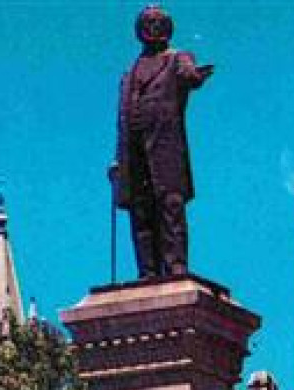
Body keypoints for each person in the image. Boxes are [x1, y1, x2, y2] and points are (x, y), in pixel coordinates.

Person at [112, 5, 215, 279]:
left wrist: (194, 77)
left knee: (170, 206)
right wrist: (117, 161)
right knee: (140, 211)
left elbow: (188, 74)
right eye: (148, 23)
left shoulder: (177, 58)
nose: (153, 28)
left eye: (158, 23)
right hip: (134, 153)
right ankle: (147, 271)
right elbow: (122, 121)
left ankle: (175, 266)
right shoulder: (129, 73)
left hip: (164, 148)